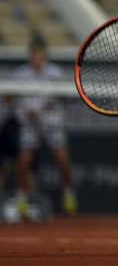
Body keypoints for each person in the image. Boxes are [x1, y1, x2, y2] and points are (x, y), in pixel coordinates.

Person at [13, 36, 77, 218]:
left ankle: (69, 195)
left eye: (40, 56)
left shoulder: (55, 73)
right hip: (30, 124)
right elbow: (9, 95)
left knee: (63, 160)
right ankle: (21, 200)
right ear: (30, 56)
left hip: (51, 122)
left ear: (44, 56)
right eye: (34, 56)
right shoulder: (21, 74)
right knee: (24, 161)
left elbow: (65, 95)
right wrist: (22, 109)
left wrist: (44, 108)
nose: (37, 59)